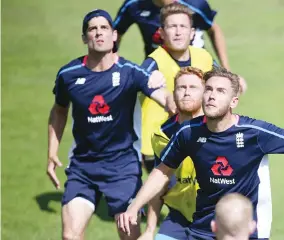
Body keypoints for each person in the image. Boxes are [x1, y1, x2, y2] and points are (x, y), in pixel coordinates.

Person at [117, 67, 284, 240]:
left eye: (220, 91)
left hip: (243, 230)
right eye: (208, 89)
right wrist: (135, 207)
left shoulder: (254, 133)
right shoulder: (188, 132)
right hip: (203, 227)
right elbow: (163, 171)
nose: (211, 96)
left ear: (234, 102)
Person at [47, 9, 174, 240]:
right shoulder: (69, 75)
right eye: (92, 29)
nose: (99, 33)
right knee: (70, 236)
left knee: (129, 235)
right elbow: (59, 109)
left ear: (114, 35)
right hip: (83, 166)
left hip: (122, 167)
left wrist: (177, 98)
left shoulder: (130, 72)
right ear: (85, 38)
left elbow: (163, 97)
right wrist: (52, 152)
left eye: (104, 28)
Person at [136, 2, 218, 173]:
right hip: (160, 144)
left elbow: (224, 82)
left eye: (183, 26)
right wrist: (150, 82)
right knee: (164, 194)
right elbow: (137, 79)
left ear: (192, 32)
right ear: (161, 33)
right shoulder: (153, 63)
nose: (178, 32)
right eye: (172, 26)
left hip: (198, 138)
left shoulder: (204, 57)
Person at [139, 67, 205, 240]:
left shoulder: (218, 129)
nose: (186, 92)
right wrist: (149, 230)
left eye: (193, 88)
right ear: (174, 94)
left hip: (212, 218)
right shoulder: (162, 134)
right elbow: (159, 183)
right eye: (182, 88)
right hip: (179, 217)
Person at [113, 0, 230, 69]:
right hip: (159, 66)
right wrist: (114, 63)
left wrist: (226, 68)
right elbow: (116, 31)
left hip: (195, 64)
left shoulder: (195, 4)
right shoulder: (134, 5)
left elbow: (213, 29)